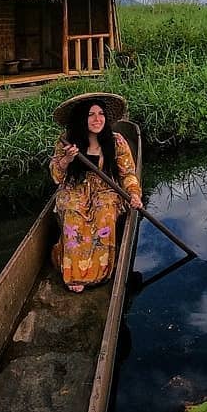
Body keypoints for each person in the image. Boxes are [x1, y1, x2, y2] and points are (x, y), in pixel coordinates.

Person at [49, 92, 143, 293]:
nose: (97, 119)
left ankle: (99, 272)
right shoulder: (67, 141)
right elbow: (56, 177)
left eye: (100, 114)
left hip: (106, 189)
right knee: (73, 213)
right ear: (82, 118)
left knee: (104, 213)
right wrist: (66, 160)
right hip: (75, 188)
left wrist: (134, 193)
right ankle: (73, 272)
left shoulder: (116, 141)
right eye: (91, 114)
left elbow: (127, 173)